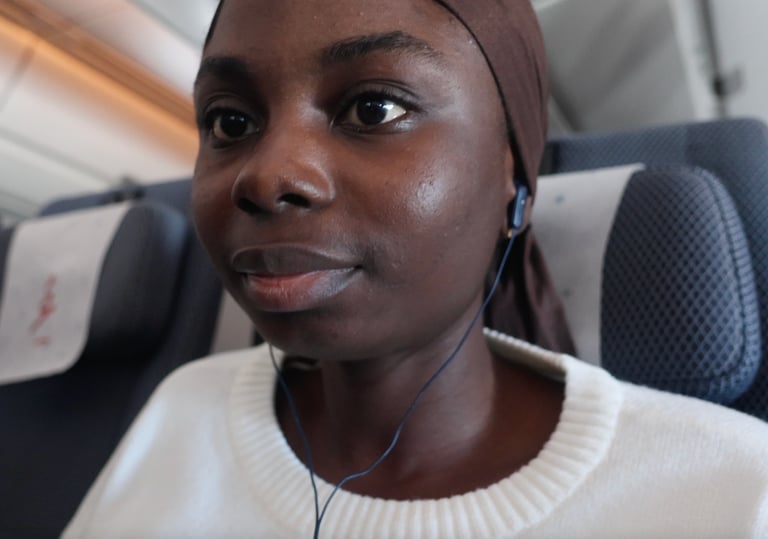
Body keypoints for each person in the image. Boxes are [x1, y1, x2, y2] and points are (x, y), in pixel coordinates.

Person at [64, 0, 768, 537]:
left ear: (511, 183)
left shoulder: (736, 490)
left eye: (375, 108)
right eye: (230, 123)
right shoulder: (179, 410)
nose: (267, 174)